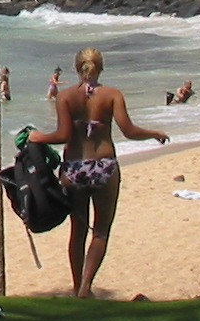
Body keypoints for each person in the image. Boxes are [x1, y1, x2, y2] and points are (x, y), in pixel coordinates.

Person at [29, 46, 168, 298]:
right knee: (101, 231)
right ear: (101, 67)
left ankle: (75, 286)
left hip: (74, 169)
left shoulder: (66, 97)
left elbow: (63, 135)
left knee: (78, 231)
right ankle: (86, 287)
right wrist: (154, 133)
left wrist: (39, 137)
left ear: (76, 68)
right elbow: (129, 130)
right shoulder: (112, 95)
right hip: (104, 166)